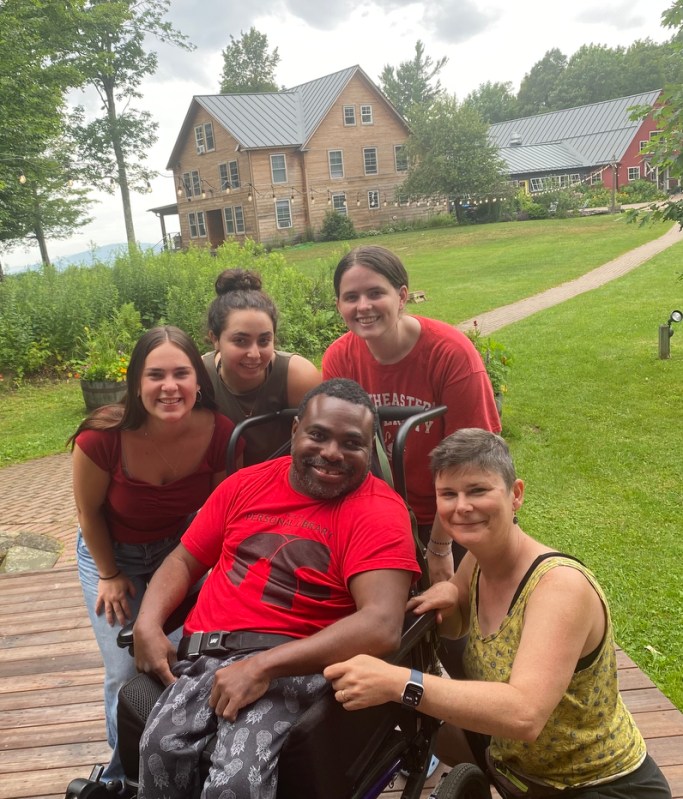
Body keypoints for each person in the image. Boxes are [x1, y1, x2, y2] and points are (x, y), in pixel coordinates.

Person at [324, 429, 672, 799]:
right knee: (436, 734)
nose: (461, 506)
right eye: (449, 494)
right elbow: (457, 621)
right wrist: (448, 595)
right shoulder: (477, 561)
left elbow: (524, 715)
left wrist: (399, 683)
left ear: (515, 494)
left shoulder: (559, 588)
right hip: (518, 769)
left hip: (598, 785)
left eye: (478, 490)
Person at [132, 378, 421, 799]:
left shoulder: (377, 512)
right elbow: (182, 559)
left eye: (352, 443)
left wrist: (262, 667)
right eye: (318, 435)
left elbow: (381, 624)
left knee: (234, 786)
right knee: (160, 752)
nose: (331, 454)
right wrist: (148, 622)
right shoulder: (244, 485)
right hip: (203, 657)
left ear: (369, 448)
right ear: (295, 431)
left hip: (293, 667)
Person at [69, 325, 242, 788]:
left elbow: (220, 513)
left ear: (199, 380)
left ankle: (174, 754)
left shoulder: (220, 432)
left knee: (185, 650)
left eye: (181, 373)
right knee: (124, 668)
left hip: (176, 550)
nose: (170, 387)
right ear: (136, 384)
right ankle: (121, 776)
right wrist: (108, 573)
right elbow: (88, 514)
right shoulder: (100, 439)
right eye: (155, 375)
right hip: (111, 554)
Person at [322, 245, 501, 584]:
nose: (363, 306)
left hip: (458, 511)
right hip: (382, 516)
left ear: (402, 296)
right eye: (351, 297)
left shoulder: (450, 354)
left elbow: (474, 457)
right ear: (339, 305)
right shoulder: (339, 360)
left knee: (463, 615)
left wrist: (438, 546)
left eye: (376, 293)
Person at [203, 268, 322, 465]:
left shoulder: (297, 376)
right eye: (240, 341)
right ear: (215, 339)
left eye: (264, 340)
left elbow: (323, 442)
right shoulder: (199, 377)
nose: (254, 354)